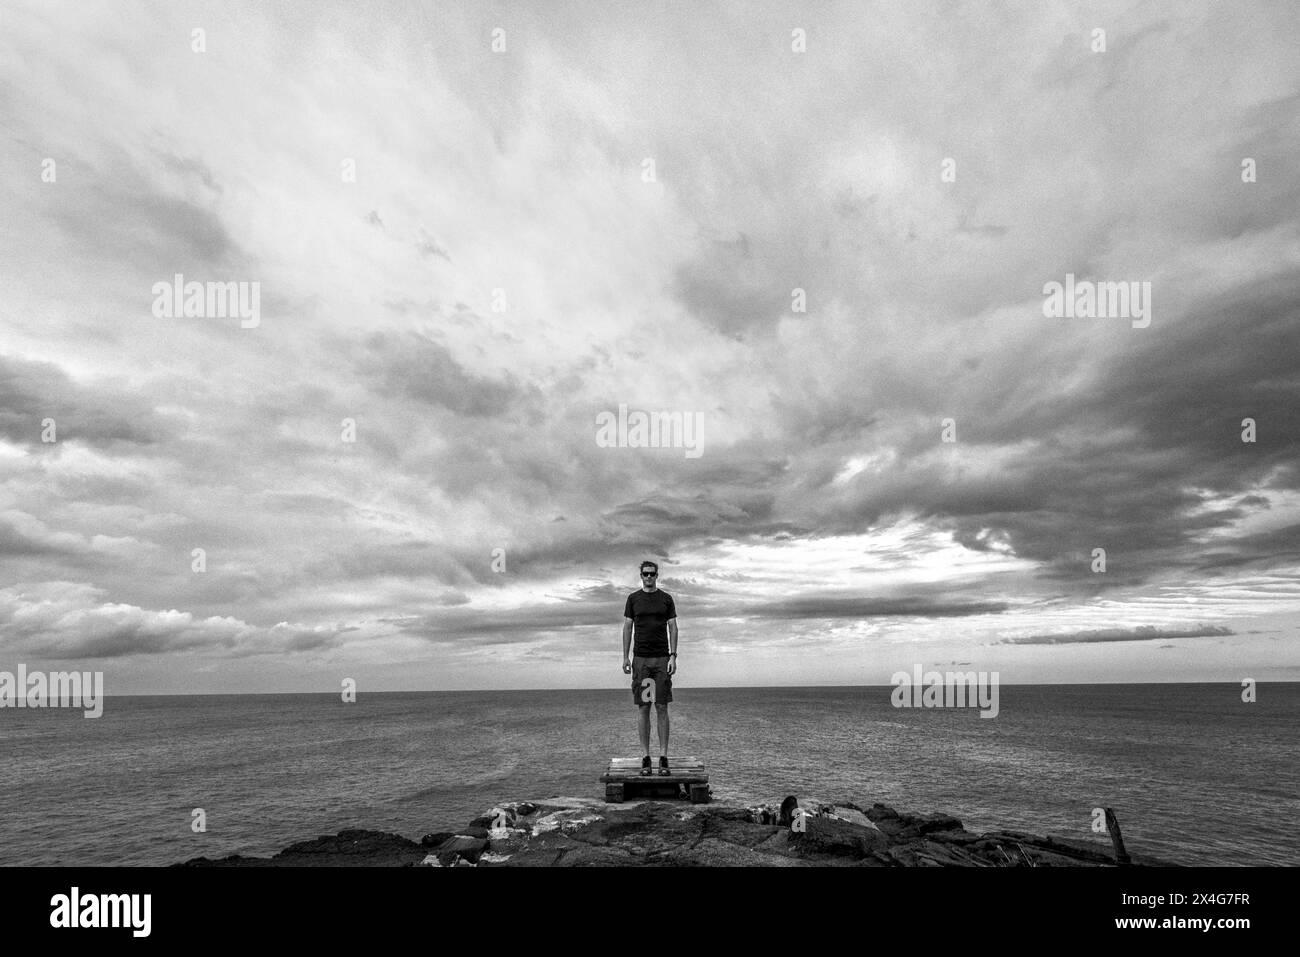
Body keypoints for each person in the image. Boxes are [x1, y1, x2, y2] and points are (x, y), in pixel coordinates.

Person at [621, 560, 677, 776]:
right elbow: (627, 627)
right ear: (641, 575)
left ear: (657, 575)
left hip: (661, 660)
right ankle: (646, 757)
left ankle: (663, 757)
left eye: (652, 574)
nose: (649, 577)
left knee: (661, 706)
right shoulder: (633, 599)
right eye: (645, 574)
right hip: (642, 661)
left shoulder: (666, 599)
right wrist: (625, 657)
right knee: (644, 706)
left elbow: (673, 627)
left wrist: (673, 656)